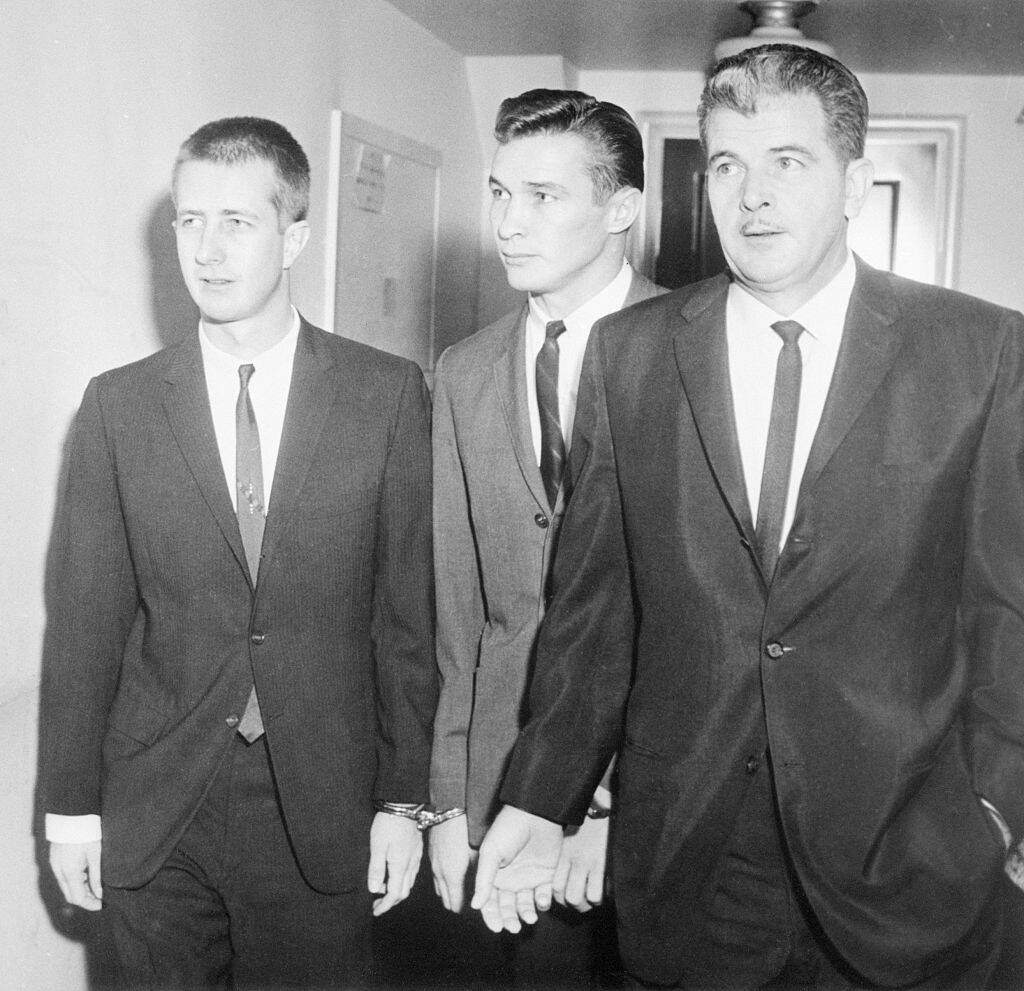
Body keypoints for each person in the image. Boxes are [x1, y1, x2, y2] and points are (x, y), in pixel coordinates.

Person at [473, 45, 1024, 989]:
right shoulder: (633, 355)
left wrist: (999, 805)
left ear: (855, 183)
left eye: (788, 162)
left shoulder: (978, 350)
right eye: (727, 165)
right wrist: (536, 799)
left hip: (910, 864)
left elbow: (1006, 607)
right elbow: (594, 613)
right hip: (692, 862)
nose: (752, 196)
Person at [38, 116, 436, 989]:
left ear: (293, 235)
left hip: (320, 805)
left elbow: (406, 622)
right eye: (189, 221)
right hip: (159, 805)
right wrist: (70, 810)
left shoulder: (387, 397)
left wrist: (405, 802)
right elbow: (84, 628)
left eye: (238, 223)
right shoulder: (119, 408)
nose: (207, 251)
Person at [426, 89, 663, 986]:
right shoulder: (463, 370)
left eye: (542, 196)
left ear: (621, 208)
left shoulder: (697, 349)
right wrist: (446, 803)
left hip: (651, 799)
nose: (507, 223)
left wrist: (610, 800)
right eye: (498, 193)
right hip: (499, 791)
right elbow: (454, 612)